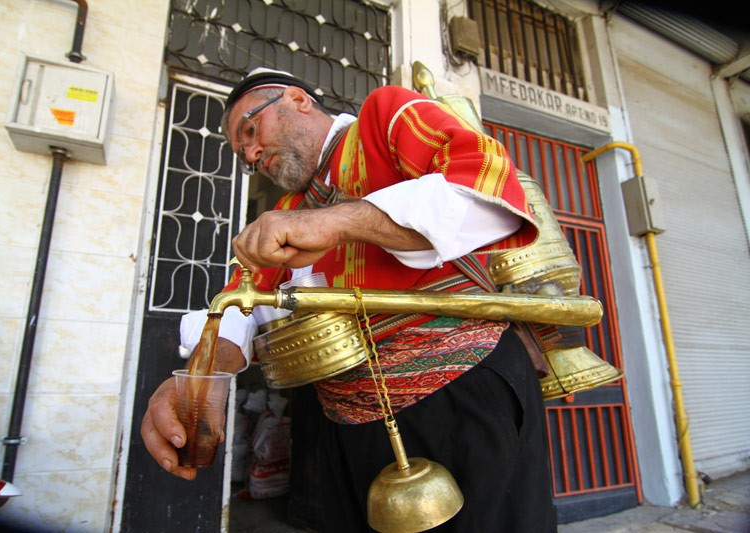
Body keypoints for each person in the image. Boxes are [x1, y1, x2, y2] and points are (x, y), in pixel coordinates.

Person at [141, 68, 557, 532]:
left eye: (251, 131)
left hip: (460, 394)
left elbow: (484, 188)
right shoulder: (285, 213)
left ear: (297, 99)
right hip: (344, 422)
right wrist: (203, 375)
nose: (252, 154)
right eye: (244, 154)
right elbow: (244, 301)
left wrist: (337, 222)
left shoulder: (384, 118)